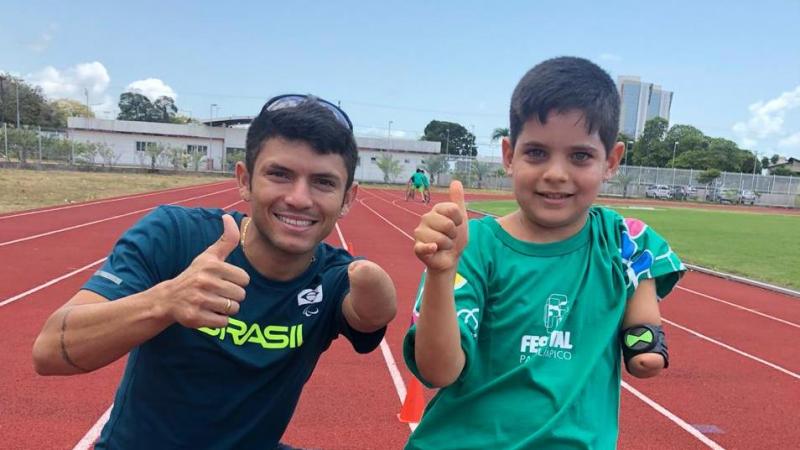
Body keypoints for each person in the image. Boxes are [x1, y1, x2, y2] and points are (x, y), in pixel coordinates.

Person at [32, 94, 398, 449]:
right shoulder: (175, 235)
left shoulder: (333, 279)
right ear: (244, 180)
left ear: (347, 199)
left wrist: (372, 277)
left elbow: (369, 315)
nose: (300, 198)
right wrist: (166, 301)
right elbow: (49, 351)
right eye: (280, 174)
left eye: (323, 182)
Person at [404, 57, 685, 449]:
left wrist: (645, 347)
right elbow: (438, 371)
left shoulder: (625, 241)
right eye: (536, 153)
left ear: (612, 161)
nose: (556, 172)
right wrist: (440, 273)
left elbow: (643, 332)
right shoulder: (473, 245)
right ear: (508, 156)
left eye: (580, 156)